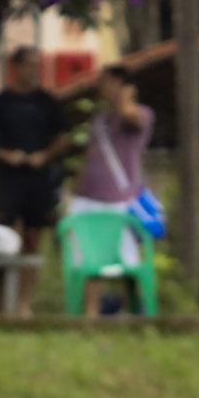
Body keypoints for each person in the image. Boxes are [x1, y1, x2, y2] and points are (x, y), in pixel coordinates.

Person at [0, 46, 70, 313]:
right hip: (8, 179)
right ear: (17, 67)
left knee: (32, 239)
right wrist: (7, 155)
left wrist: (44, 156)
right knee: (1, 240)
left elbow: (62, 139)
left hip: (38, 180)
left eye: (37, 64)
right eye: (29, 65)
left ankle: (24, 304)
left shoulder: (48, 102)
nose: (34, 70)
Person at [68, 64, 155, 317]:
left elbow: (131, 117)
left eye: (107, 82)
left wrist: (124, 97)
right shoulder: (99, 120)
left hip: (119, 200)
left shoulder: (141, 114)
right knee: (89, 258)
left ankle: (135, 312)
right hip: (88, 199)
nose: (101, 88)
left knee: (128, 260)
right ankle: (91, 313)